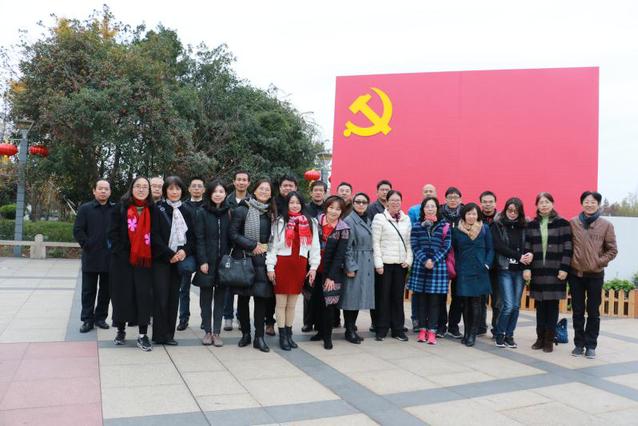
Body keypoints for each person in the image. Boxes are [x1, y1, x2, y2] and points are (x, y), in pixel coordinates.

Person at [266, 192, 320, 350]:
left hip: (299, 266)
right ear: (287, 204)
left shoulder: (311, 222)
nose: (295, 205)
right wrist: (270, 267)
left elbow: (315, 247)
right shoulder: (279, 222)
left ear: (302, 204)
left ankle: (289, 335)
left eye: (297, 203)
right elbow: (272, 247)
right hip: (282, 265)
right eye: (291, 203)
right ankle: (282, 336)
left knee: (292, 305)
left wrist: (314, 267)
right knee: (281, 303)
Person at [108, 177, 155, 352]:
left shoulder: (153, 210)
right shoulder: (120, 208)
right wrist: (124, 254)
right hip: (122, 262)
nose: (141, 189)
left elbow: (158, 234)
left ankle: (143, 335)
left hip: (144, 261)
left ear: (149, 191)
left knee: (143, 297)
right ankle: (120, 330)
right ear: (131, 188)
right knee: (122, 296)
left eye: (145, 187)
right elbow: (112, 234)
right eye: (138, 186)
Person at [230, 179, 277, 352]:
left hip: (264, 261)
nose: (264, 192)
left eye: (267, 189)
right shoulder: (242, 209)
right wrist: (252, 245)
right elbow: (233, 234)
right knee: (243, 299)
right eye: (261, 189)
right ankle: (245, 334)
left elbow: (275, 237)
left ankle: (259, 337)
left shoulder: (272, 212)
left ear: (271, 194)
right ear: (254, 191)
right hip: (245, 259)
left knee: (261, 300)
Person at [569, 191, 617, 359]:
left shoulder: (606, 225)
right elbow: (568, 246)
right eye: (586, 201)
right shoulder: (573, 223)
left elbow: (612, 250)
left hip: (595, 275)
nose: (589, 204)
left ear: (598, 204)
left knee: (593, 311)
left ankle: (591, 345)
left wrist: (598, 262)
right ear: (582, 203)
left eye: (593, 202)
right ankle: (578, 344)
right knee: (577, 311)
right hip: (575, 274)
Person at [523, 192, 572, 353]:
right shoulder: (532, 224)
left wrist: (564, 268)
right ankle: (540, 338)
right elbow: (527, 247)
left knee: (552, 306)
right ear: (537, 205)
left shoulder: (562, 223)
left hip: (555, 271)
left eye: (547, 202)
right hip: (538, 270)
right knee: (540, 306)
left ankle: (549, 340)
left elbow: (568, 248)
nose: (544, 205)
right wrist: (527, 267)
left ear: (552, 203)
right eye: (541, 202)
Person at [152, 176, 195, 346]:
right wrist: (169, 253)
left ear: (182, 191)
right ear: (165, 191)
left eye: (177, 188)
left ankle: (169, 335)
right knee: (160, 296)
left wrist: (184, 251)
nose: (174, 192)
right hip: (161, 259)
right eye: (171, 188)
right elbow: (154, 235)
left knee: (173, 297)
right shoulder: (158, 209)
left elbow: (192, 237)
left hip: (179, 259)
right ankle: (159, 334)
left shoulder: (187, 210)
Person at [407, 197, 451, 345]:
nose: (430, 209)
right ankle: (422, 330)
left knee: (434, 302)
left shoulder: (444, 225)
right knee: (421, 301)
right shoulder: (417, 225)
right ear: (423, 209)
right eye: (427, 206)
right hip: (421, 267)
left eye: (433, 206)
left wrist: (434, 260)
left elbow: (446, 246)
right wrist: (425, 260)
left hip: (438, 268)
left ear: (437, 209)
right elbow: (414, 245)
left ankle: (432, 331)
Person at [73, 179, 114, 333]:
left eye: (106, 189)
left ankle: (100, 318)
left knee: (106, 291)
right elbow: (78, 230)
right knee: (88, 291)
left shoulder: (115, 210)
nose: (103, 191)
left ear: (110, 192)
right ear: (94, 191)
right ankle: (87, 320)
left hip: (109, 257)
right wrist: (87, 244)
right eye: (100, 188)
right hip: (91, 256)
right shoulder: (85, 209)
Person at [491, 198, 533, 348]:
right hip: (505, 269)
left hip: (519, 271)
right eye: (510, 210)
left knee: (516, 306)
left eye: (516, 211)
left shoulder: (525, 226)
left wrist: (529, 255)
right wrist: (518, 256)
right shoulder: (498, 224)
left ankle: (509, 335)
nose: (513, 213)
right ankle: (500, 334)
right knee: (508, 305)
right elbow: (498, 246)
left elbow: (529, 244)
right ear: (505, 210)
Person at [195, 180, 232, 347]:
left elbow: (232, 237)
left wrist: (229, 258)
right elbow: (199, 238)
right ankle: (207, 331)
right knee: (205, 298)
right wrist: (202, 260)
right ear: (210, 194)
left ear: (225, 194)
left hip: (223, 262)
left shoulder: (229, 212)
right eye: (215, 191)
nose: (218, 194)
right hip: (207, 262)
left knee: (220, 298)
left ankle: (217, 332)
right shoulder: (202, 212)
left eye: (221, 191)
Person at [372, 190, 413, 342]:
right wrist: (378, 263)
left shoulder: (406, 219)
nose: (395, 203)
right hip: (384, 264)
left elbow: (409, 242)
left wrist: (408, 260)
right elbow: (375, 242)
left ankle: (398, 329)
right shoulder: (379, 218)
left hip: (400, 265)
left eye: (398, 200)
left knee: (397, 297)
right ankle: (381, 328)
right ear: (387, 202)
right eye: (392, 200)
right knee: (383, 297)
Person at [310, 196, 350, 350]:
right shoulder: (315, 222)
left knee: (329, 304)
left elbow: (340, 255)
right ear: (326, 207)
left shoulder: (343, 228)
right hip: (314, 268)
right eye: (331, 207)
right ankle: (319, 332)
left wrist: (331, 277)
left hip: (332, 271)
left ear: (342, 211)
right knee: (316, 302)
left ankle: (327, 337)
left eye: (338, 209)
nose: (334, 211)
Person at [452, 202, 494, 347]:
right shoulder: (457, 230)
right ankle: (466, 332)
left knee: (476, 303)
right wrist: (457, 267)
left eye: (474, 214)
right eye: (469, 213)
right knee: (465, 304)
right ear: (464, 215)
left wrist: (487, 264)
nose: (471, 216)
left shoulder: (484, 228)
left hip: (479, 270)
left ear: (478, 215)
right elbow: (454, 251)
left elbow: (490, 249)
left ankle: (472, 335)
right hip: (464, 270)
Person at [267, 175, 298, 336]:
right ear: (279, 187)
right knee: (272, 294)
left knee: (290, 298)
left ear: (296, 188)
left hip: (294, 259)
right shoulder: (272, 204)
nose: (287, 188)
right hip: (273, 252)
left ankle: (287, 329)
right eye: (285, 185)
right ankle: (270, 322)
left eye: (291, 185)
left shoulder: (298, 206)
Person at [342, 192, 375, 344]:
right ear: (353, 203)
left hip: (366, 262)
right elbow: (346, 247)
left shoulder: (367, 219)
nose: (361, 204)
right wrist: (350, 266)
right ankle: (349, 330)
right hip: (356, 262)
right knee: (351, 298)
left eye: (364, 202)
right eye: (358, 202)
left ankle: (351, 329)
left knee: (358, 298)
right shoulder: (349, 220)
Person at [223, 171, 251, 331]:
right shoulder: (226, 200)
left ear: (248, 183)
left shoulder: (253, 201)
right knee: (228, 282)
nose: (241, 182)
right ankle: (227, 316)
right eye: (238, 179)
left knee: (243, 283)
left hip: (245, 247)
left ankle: (241, 317)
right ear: (234, 182)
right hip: (229, 247)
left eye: (244, 180)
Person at [407, 183, 437, 331]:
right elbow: (411, 231)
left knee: (432, 292)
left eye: (431, 191)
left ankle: (431, 323)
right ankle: (416, 319)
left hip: (435, 258)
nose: (428, 193)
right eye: (425, 191)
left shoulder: (438, 210)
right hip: (418, 256)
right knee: (417, 291)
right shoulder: (413, 210)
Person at [176, 177, 204, 331]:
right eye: (194, 186)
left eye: (200, 186)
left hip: (204, 252)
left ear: (204, 189)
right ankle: (183, 318)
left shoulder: (208, 206)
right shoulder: (182, 207)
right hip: (187, 251)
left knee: (205, 287)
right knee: (184, 287)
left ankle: (205, 319)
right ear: (189, 189)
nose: (197, 188)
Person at [439, 186, 464, 339]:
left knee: (458, 295)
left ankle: (454, 326)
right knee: (441, 294)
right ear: (445, 199)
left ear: (460, 199)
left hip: (460, 259)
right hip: (443, 258)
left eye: (456, 197)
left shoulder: (465, 213)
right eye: (450, 197)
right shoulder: (439, 213)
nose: (453, 200)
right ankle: (441, 325)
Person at [368, 179, 392, 331]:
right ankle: (375, 321)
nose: (385, 192)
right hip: (376, 253)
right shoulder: (372, 208)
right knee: (377, 290)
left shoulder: (393, 208)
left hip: (391, 254)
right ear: (377, 192)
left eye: (387, 190)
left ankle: (387, 320)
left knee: (388, 291)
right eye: (382, 189)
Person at [302, 180, 326, 332]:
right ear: (311, 192)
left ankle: (320, 322)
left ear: (325, 193)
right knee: (308, 289)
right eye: (315, 190)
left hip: (324, 253)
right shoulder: (305, 208)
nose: (318, 193)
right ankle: (308, 322)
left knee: (322, 290)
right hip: (307, 252)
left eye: (320, 190)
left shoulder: (328, 208)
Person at [479, 190, 500, 337]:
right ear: (481, 203)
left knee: (498, 300)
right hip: (482, 264)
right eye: (485, 202)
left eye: (490, 202)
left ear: (495, 203)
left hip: (498, 265)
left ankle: (497, 328)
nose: (488, 204)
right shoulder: (476, 217)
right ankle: (480, 326)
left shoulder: (501, 219)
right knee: (480, 298)